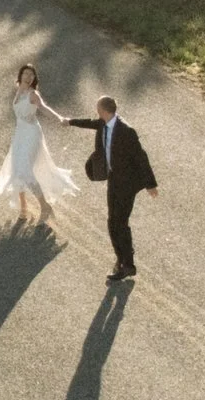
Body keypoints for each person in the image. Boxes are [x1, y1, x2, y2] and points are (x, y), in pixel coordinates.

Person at [65, 96, 157, 283]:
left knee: (119, 222)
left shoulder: (126, 131)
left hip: (128, 184)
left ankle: (126, 264)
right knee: (112, 222)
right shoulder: (103, 123)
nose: (96, 112)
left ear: (104, 110)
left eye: (97, 108)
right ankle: (123, 259)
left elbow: (141, 157)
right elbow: (90, 123)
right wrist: (71, 122)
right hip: (114, 180)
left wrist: (150, 184)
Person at [0, 63, 80, 228]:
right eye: (26, 74)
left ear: (34, 79)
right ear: (20, 77)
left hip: (32, 134)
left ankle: (45, 207)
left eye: (31, 75)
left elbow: (43, 108)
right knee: (16, 170)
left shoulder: (33, 94)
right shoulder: (19, 91)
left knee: (25, 170)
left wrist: (59, 118)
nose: (29, 77)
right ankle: (24, 209)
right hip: (20, 134)